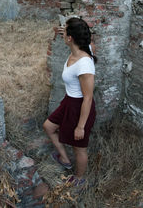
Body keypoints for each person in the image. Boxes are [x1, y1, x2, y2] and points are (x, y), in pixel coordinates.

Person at [43, 17, 97, 187]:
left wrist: (80, 126)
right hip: (69, 101)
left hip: (80, 107)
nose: (62, 32)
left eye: (65, 31)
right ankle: (65, 159)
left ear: (70, 38)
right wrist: (64, 29)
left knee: (79, 147)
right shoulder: (83, 47)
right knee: (49, 126)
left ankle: (80, 179)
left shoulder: (84, 64)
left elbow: (88, 97)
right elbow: (86, 37)